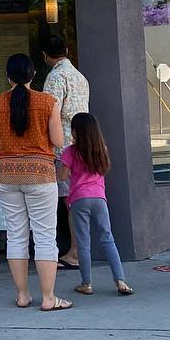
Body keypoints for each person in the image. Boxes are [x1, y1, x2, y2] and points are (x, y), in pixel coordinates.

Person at [0, 52, 70, 311]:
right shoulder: (48, 102)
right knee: (44, 236)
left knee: (16, 235)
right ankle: (48, 298)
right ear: (33, 75)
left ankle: (22, 295)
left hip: (6, 175)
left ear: (7, 76)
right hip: (40, 175)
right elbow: (58, 141)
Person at [59, 113, 132, 296]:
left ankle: (86, 283)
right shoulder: (102, 150)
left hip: (79, 199)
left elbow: (62, 176)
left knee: (83, 242)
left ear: (75, 132)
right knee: (107, 238)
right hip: (99, 198)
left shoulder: (70, 152)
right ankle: (121, 281)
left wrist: (63, 169)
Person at [42, 35, 89, 268]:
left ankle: (75, 253)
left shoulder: (55, 77)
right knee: (78, 197)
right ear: (67, 51)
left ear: (45, 56)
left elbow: (49, 114)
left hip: (63, 148)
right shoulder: (80, 77)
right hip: (82, 143)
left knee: (69, 200)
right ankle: (79, 250)